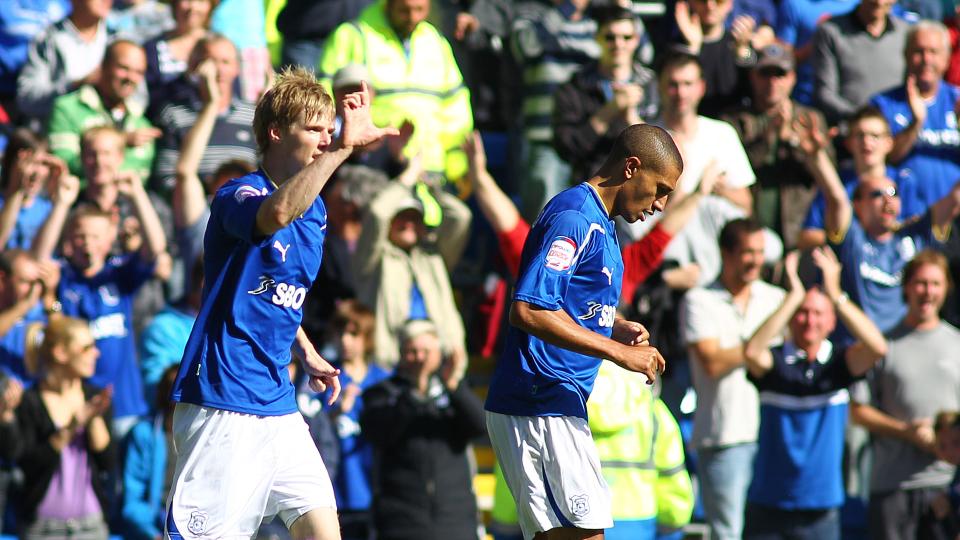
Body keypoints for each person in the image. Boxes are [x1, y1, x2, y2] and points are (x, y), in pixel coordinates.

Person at [166, 67, 397, 539]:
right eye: (313, 128)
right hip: (222, 400)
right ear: (275, 132)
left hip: (277, 403)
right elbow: (274, 214)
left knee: (322, 532)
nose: (325, 137)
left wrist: (306, 351)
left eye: (329, 129)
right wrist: (342, 151)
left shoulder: (315, 210)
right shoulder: (238, 194)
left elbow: (274, 295)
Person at [484, 123, 683, 539]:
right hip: (538, 398)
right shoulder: (575, 218)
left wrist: (614, 323)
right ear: (631, 168)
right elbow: (529, 309)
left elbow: (566, 301)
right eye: (660, 188)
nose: (661, 204)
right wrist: (617, 352)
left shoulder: (603, 223)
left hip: (558, 401)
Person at [741, 248, 887, 539]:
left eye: (818, 314)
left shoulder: (838, 364)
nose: (809, 321)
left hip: (821, 508)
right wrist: (792, 296)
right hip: (768, 504)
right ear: (791, 319)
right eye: (802, 313)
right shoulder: (775, 363)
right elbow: (751, 352)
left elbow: (877, 347)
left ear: (832, 322)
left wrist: (836, 295)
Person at [681, 217, 785, 540]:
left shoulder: (776, 299)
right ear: (725, 254)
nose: (756, 260)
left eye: (760, 252)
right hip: (723, 436)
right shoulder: (698, 300)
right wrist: (761, 346)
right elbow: (712, 362)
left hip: (773, 433)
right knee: (728, 533)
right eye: (747, 252)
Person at [850, 249, 960, 539]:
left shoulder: (956, 344)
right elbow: (857, 410)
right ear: (906, 288)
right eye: (920, 283)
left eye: (935, 284)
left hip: (947, 486)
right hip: (892, 486)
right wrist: (905, 431)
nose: (927, 292)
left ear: (946, 289)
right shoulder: (883, 346)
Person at [319, 0, 473, 185]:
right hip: (373, 166)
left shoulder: (436, 41)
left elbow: (455, 106)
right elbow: (324, 99)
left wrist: (457, 166)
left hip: (431, 168)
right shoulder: (353, 35)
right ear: (388, 4)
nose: (412, 17)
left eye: (419, 10)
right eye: (404, 10)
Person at [360, 318, 485, 540]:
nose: (419, 358)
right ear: (400, 353)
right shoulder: (382, 392)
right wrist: (414, 393)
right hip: (400, 522)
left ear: (439, 353)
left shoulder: (454, 392)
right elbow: (377, 432)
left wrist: (454, 388)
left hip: (455, 521)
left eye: (426, 351)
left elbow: (480, 426)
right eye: (412, 351)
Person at [0, 316, 114, 539]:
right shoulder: (30, 401)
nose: (96, 353)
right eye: (87, 348)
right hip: (43, 528)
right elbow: (27, 464)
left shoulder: (93, 396)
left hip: (91, 526)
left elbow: (108, 463)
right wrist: (71, 427)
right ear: (60, 353)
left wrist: (93, 418)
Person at [719, 44, 831, 248]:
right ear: (752, 76)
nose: (772, 82)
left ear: (793, 78)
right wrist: (768, 136)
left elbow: (827, 179)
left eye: (780, 75)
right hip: (749, 233)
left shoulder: (811, 120)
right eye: (765, 74)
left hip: (799, 231)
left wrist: (796, 144)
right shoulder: (734, 121)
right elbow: (736, 172)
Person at [553, 5, 660, 184]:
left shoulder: (652, 85)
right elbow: (567, 149)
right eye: (610, 37)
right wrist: (609, 111)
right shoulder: (575, 86)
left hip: (642, 187)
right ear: (597, 38)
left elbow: (660, 153)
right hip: (591, 188)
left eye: (626, 37)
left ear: (636, 40)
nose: (619, 44)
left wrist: (631, 118)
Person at [870, 21, 960, 211]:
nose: (926, 59)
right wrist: (916, 122)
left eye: (933, 52)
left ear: (946, 59)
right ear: (906, 56)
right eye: (919, 51)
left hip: (953, 217)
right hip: (905, 215)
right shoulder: (884, 104)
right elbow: (886, 158)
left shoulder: (957, 101)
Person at [47, 39, 159, 180]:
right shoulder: (67, 108)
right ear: (104, 66)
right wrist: (120, 141)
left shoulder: (141, 123)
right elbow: (62, 164)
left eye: (138, 72)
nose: (130, 78)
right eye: (124, 68)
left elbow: (141, 175)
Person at [811, 0, 909, 125]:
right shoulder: (831, 31)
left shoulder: (906, 33)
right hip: (849, 132)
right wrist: (862, 120)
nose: (879, 2)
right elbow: (825, 94)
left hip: (897, 131)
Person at [16, 0, 114, 122]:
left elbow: (139, 98)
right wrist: (75, 85)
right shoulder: (47, 39)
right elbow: (28, 100)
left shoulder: (117, 40)